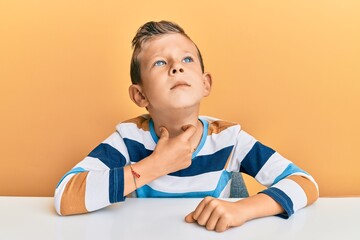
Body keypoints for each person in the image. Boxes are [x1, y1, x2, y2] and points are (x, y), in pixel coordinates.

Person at [54, 20, 319, 232]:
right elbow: (65, 195)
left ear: (205, 84)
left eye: (187, 60)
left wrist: (243, 209)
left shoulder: (229, 138)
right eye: (160, 62)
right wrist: (157, 165)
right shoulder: (128, 139)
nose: (176, 68)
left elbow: (305, 184)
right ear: (140, 96)